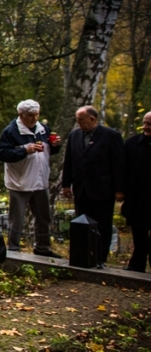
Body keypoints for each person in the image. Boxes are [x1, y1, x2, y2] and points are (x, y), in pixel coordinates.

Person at [0, 99, 62, 257]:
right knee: (16, 219)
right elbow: (2, 153)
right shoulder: (11, 131)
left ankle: (43, 248)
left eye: (36, 115)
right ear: (21, 115)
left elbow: (50, 152)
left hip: (40, 181)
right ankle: (13, 249)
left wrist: (55, 145)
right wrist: (25, 150)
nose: (34, 118)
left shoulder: (43, 129)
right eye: (30, 115)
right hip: (20, 183)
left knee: (43, 218)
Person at [61, 106, 125, 269]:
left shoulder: (111, 136)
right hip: (81, 189)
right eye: (77, 120)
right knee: (81, 223)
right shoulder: (74, 136)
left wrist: (119, 189)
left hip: (102, 190)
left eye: (81, 120)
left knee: (102, 225)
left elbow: (118, 164)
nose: (79, 123)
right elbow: (69, 161)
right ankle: (82, 255)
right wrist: (66, 184)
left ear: (93, 119)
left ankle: (100, 258)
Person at [122, 111, 151, 272]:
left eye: (149, 124)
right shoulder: (132, 144)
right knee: (139, 234)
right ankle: (137, 265)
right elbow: (123, 170)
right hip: (137, 197)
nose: (146, 127)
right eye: (145, 123)